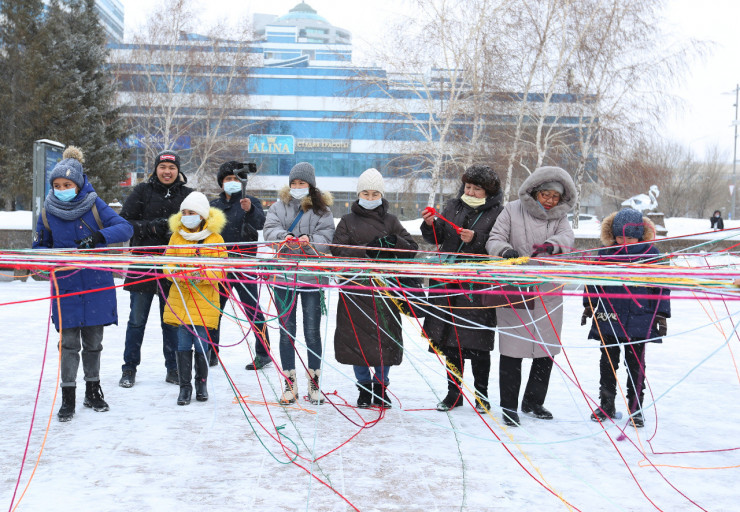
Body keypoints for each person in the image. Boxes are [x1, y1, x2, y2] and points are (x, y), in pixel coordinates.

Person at [33, 146, 133, 421]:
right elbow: (38, 247)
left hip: (96, 284)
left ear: (78, 184)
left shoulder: (94, 204)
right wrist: (50, 257)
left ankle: (93, 391)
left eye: (67, 185)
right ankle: (68, 397)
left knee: (93, 342)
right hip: (65, 286)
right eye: (57, 185)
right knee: (67, 343)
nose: (62, 189)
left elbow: (125, 228)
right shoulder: (48, 211)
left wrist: (99, 237)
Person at [486, 166, 576, 427]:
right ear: (535, 191)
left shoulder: (560, 217)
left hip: (548, 292)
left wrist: (553, 245)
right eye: (545, 195)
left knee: (545, 351)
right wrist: (505, 251)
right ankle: (509, 406)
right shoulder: (512, 210)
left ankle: (533, 402)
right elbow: (494, 238)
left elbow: (567, 237)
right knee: (512, 351)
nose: (549, 201)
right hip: (516, 288)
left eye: (555, 197)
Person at [332, 168, 418, 408]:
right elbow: (337, 250)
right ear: (358, 194)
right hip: (355, 291)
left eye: (375, 194)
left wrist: (394, 242)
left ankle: (381, 387)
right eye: (366, 193)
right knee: (356, 343)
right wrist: (368, 250)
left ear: (381, 195)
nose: (370, 198)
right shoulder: (347, 221)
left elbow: (411, 248)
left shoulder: (391, 221)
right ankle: (363, 388)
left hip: (385, 292)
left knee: (385, 342)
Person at [421, 165, 503, 413]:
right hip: (448, 283)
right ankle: (453, 394)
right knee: (451, 344)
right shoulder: (452, 206)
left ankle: (481, 395)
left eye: (477, 188)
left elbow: (498, 243)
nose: (470, 192)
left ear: (489, 191)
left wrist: (476, 239)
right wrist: (430, 225)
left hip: (477, 287)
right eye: (468, 187)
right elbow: (437, 238)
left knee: (478, 343)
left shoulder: (499, 213)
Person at [582, 208, 670, 428]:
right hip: (609, 315)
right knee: (607, 363)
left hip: (640, 317)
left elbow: (662, 285)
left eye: (629, 237)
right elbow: (592, 281)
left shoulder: (651, 255)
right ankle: (606, 405)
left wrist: (661, 314)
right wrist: (589, 306)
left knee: (636, 366)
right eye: (620, 237)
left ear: (639, 235)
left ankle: (636, 409)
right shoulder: (605, 254)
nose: (624, 241)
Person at [118, 150, 193, 388]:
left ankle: (173, 368)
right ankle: (129, 368)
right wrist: (150, 227)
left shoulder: (187, 195)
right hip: (143, 264)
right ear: (155, 169)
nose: (167, 172)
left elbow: (201, 225)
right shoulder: (142, 191)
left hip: (174, 267)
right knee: (136, 321)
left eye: (172, 167)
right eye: (163, 167)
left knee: (171, 321)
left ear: (178, 170)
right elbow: (124, 223)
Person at [263, 162, 335, 405]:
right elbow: (269, 230)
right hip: (283, 279)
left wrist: (310, 240)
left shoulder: (322, 210)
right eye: (293, 183)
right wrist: (284, 237)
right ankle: (289, 383)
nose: (296, 186)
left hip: (312, 278)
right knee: (286, 332)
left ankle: (314, 383)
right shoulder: (277, 207)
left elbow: (327, 237)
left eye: (301, 183)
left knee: (312, 332)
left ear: (310, 185)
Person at [162, 192, 227, 405]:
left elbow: (221, 270)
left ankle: (201, 383)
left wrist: (202, 275)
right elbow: (167, 263)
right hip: (182, 299)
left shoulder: (215, 239)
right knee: (182, 343)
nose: (187, 217)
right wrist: (175, 273)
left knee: (201, 343)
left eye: (192, 213)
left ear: (202, 215)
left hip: (204, 300)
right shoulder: (177, 236)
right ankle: (184, 387)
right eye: (184, 213)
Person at [209, 161, 270, 370]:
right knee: (214, 310)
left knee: (253, 310)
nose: (232, 182)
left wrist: (250, 210)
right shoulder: (213, 206)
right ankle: (211, 351)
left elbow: (261, 224)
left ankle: (263, 353)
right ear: (221, 182)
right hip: (219, 266)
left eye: (236, 178)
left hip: (245, 265)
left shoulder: (251, 201)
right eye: (228, 179)